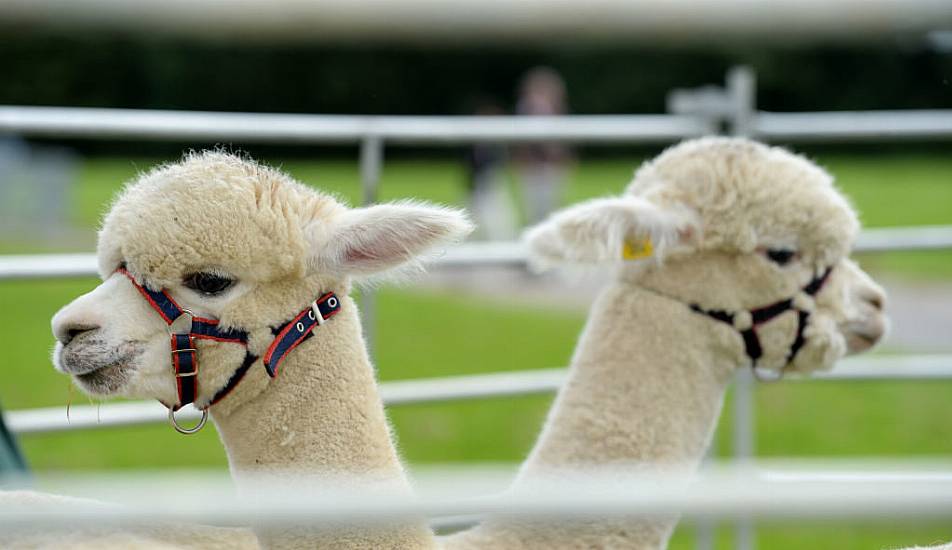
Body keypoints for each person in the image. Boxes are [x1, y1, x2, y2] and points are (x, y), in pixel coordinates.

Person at [514, 67, 572, 226]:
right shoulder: (525, 109)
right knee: (533, 207)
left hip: (552, 165)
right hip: (532, 166)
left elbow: (563, 140)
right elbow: (522, 142)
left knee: (552, 206)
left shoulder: (557, 109)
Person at [464, 100, 517, 241]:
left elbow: (497, 166)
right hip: (475, 185)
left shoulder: (495, 145)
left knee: (496, 215)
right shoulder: (475, 144)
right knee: (472, 215)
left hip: (489, 183)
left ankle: (503, 243)